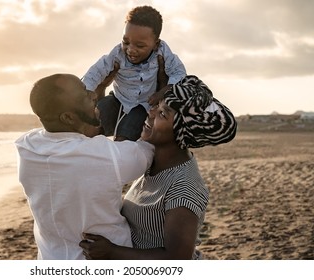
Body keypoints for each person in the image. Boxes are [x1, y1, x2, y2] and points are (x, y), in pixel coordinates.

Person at [79, 75, 237, 259]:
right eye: (157, 106)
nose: (150, 112)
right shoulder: (152, 163)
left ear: (182, 132)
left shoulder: (184, 187)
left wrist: (112, 251)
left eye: (162, 113)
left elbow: (178, 258)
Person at [14, 73, 155, 260]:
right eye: (84, 95)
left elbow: (80, 140)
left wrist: (99, 92)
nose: (93, 95)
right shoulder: (105, 155)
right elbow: (149, 149)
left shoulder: (26, 145)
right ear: (68, 118)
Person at [82, 5, 186, 141]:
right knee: (88, 125)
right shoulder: (117, 53)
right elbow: (95, 72)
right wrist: (87, 91)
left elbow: (179, 72)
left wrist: (162, 92)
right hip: (118, 99)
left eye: (140, 46)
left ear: (155, 44)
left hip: (143, 104)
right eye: (126, 42)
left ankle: (120, 154)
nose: (130, 49)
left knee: (124, 138)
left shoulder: (163, 51)